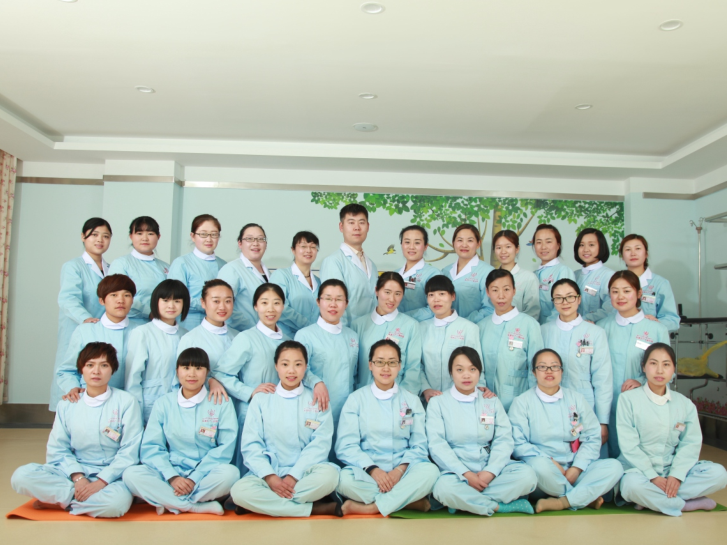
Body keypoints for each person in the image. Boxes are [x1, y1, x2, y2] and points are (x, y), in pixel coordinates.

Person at [12, 342, 142, 518]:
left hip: (112, 475)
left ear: (112, 370)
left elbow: (130, 451)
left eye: (104, 365)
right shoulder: (67, 404)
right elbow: (58, 448)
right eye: (90, 365)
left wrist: (101, 482)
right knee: (21, 476)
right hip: (73, 471)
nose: (96, 371)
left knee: (114, 505)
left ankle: (60, 500)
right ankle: (80, 499)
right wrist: (79, 479)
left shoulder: (126, 402)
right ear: (81, 369)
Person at [214, 283, 325, 471]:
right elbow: (221, 373)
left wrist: (317, 383)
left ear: (283, 306)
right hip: (252, 412)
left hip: (282, 412)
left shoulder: (287, 340)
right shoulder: (247, 338)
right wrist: (250, 392)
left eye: (276, 303)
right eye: (264, 303)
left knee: (282, 466)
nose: (270, 309)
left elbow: (300, 370)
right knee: (253, 465)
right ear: (255, 306)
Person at [231, 341, 341, 517]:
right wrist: (270, 477)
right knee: (239, 491)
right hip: (271, 473)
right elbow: (251, 445)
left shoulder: (317, 399)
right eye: (285, 364)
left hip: (305, 474)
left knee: (330, 476)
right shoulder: (261, 400)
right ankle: (312, 508)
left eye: (298, 364)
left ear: (306, 367)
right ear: (276, 366)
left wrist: (294, 476)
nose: (291, 371)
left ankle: (265, 504)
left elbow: (321, 444)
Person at [123, 348, 239, 516]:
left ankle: (168, 501)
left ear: (207, 372)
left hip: (205, 472)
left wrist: (194, 478)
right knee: (131, 474)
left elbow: (225, 447)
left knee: (231, 474)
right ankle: (194, 506)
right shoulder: (163, 403)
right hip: (170, 471)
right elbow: (152, 447)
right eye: (186, 368)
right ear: (177, 371)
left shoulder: (221, 402)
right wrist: (172, 477)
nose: (192, 374)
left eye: (198, 368)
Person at [617, 343, 727, 516]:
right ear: (644, 367)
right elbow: (629, 445)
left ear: (673, 369)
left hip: (672, 469)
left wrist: (676, 475)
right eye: (653, 363)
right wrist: (653, 476)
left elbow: (690, 444)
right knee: (630, 486)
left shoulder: (685, 404)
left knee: (719, 474)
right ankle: (684, 504)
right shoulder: (628, 400)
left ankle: (653, 500)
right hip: (640, 471)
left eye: (666, 364)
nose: (660, 370)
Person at [508, 349, 624, 513]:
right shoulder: (522, 402)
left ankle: (563, 501)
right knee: (538, 466)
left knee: (615, 467)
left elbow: (592, 437)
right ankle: (583, 498)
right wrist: (550, 461)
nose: (549, 371)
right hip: (545, 475)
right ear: (534, 372)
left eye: (554, 366)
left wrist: (577, 468)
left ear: (561, 371)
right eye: (542, 367)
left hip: (575, 470)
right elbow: (518, 443)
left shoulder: (576, 399)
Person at [427, 347, 537, 516]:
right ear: (451, 372)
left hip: (488, 465)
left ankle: (463, 501)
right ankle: (499, 507)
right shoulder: (438, 403)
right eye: (459, 370)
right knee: (443, 488)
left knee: (527, 476)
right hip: (457, 470)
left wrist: (490, 471)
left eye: (472, 369)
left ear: (479, 372)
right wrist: (466, 474)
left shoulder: (490, 401)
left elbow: (504, 439)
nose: (466, 375)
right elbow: (437, 444)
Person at [335, 340, 440, 516]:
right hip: (368, 472)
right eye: (380, 362)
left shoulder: (412, 401)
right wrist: (373, 470)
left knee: (431, 472)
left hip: (404, 471)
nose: (386, 368)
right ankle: (406, 501)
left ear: (399, 366)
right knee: (343, 480)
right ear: (370, 365)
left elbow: (419, 445)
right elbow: (346, 446)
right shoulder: (356, 400)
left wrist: (399, 471)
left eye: (392, 362)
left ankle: (372, 507)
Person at [596, 270, 669, 458]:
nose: (620, 296)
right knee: (608, 456)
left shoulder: (656, 329)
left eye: (627, 291)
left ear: (639, 293)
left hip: (642, 402)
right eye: (615, 291)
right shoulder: (601, 328)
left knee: (640, 457)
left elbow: (667, 370)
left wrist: (642, 381)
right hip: (607, 404)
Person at [540, 279, 613, 450]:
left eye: (570, 297)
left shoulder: (595, 333)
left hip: (586, 403)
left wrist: (602, 421)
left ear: (579, 299)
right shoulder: (543, 331)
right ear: (553, 301)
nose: (564, 302)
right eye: (558, 298)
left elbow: (602, 379)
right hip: (549, 401)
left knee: (586, 452)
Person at [50, 218, 112, 411]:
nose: (100, 240)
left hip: (102, 333)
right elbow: (68, 299)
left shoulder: (111, 269)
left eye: (105, 236)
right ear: (83, 237)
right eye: (94, 235)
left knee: (97, 375)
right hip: (78, 328)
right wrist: (86, 319)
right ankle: (65, 419)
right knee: (72, 374)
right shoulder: (74, 266)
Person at [56, 274, 138, 401]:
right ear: (102, 300)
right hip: (91, 399)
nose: (120, 300)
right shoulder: (85, 331)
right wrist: (72, 387)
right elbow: (67, 370)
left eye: (126, 295)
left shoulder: (142, 331)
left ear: (132, 300)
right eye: (114, 295)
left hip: (129, 401)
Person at [295, 280, 357, 433]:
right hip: (317, 406)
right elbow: (298, 370)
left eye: (339, 299)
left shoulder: (352, 336)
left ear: (346, 303)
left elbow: (355, 373)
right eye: (328, 298)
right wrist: (316, 382)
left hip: (348, 408)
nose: (333, 304)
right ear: (318, 301)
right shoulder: (305, 335)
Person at [478, 269, 544, 411]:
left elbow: (536, 368)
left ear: (514, 291)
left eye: (506, 289)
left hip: (520, 402)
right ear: (487, 292)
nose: (501, 296)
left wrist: (533, 403)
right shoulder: (481, 326)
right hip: (485, 402)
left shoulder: (530, 325)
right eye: (495, 290)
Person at [351, 272, 422, 394]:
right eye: (387, 292)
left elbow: (413, 367)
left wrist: (405, 397)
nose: (392, 299)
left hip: (397, 395)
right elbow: (353, 368)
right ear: (376, 291)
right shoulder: (358, 325)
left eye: (397, 293)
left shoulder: (411, 326)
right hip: (364, 395)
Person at [419, 275, 483, 404]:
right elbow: (416, 365)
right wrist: (426, 389)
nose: (436, 299)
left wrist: (479, 388)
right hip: (429, 399)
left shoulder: (469, 328)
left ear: (453, 296)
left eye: (442, 294)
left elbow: (476, 365)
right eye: (431, 295)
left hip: (461, 398)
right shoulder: (421, 328)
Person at [319, 203, 378, 326]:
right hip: (347, 330)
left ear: (368, 227)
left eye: (361, 222)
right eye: (351, 222)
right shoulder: (333, 262)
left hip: (371, 329)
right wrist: (345, 333)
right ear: (341, 227)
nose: (357, 227)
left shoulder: (372, 265)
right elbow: (334, 304)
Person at [167, 214, 226, 331]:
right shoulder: (182, 263)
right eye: (203, 234)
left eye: (214, 234)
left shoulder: (224, 265)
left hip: (219, 324)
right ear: (193, 236)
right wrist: (209, 304)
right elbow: (176, 297)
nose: (209, 239)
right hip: (188, 324)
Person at [108, 216, 169, 327]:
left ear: (158, 237)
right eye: (139, 233)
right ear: (131, 236)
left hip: (162, 324)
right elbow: (118, 296)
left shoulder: (166, 267)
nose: (144, 238)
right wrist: (149, 312)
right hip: (130, 324)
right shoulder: (121, 264)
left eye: (150, 234)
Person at [619, 234, 681, 332]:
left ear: (646, 254)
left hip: (648, 336)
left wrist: (655, 323)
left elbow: (672, 320)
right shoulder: (615, 282)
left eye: (638, 248)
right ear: (622, 256)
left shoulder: (660, 284)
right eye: (628, 249)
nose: (633, 253)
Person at [217, 223, 270, 332]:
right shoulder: (231, 270)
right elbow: (223, 306)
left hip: (265, 333)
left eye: (260, 239)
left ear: (265, 244)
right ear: (240, 243)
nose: (255, 243)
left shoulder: (269, 273)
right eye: (249, 239)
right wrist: (253, 329)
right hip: (240, 333)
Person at [176, 279, 239, 370]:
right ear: (203, 303)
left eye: (228, 301)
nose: (222, 307)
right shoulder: (190, 339)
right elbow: (184, 374)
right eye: (216, 301)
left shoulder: (238, 337)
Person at [270, 231, 321, 338]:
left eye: (313, 247)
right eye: (303, 246)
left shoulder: (319, 282)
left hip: (314, 339)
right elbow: (280, 308)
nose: (308, 250)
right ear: (293, 250)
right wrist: (310, 327)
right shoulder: (281, 276)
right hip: (287, 338)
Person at [444, 224, 494, 324]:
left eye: (470, 240)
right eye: (460, 240)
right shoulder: (445, 271)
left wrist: (463, 324)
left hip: (475, 327)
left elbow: (490, 309)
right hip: (446, 327)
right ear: (453, 243)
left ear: (478, 244)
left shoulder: (488, 272)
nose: (464, 245)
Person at [493, 230, 540, 321]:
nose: (503, 251)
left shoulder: (528, 278)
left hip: (519, 328)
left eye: (508, 247)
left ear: (517, 249)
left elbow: (532, 313)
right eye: (499, 247)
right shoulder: (490, 278)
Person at [533, 224, 576, 324]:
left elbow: (564, 305)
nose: (543, 247)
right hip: (534, 327)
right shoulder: (533, 275)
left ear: (558, 245)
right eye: (539, 242)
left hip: (553, 327)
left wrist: (546, 327)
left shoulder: (564, 271)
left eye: (548, 242)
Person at [396, 225, 440, 320]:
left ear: (425, 246)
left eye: (417, 242)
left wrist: (402, 318)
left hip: (421, 325)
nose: (411, 247)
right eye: (407, 242)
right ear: (401, 245)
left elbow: (435, 308)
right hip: (394, 326)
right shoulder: (394, 274)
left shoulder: (434, 274)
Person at [573, 228, 615, 323]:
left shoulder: (609, 276)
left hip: (599, 327)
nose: (585, 249)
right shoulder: (574, 275)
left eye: (591, 245)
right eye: (581, 245)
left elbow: (610, 309)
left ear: (601, 247)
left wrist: (581, 320)